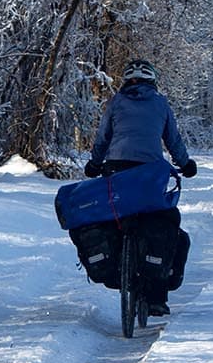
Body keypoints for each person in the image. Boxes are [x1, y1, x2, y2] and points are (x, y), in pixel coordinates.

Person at [83, 59, 197, 315]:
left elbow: (103, 137)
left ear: (126, 82)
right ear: (152, 81)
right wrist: (186, 164)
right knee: (159, 221)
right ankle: (156, 296)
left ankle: (117, 265)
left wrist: (94, 164)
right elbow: (173, 139)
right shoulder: (160, 103)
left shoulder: (115, 102)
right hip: (149, 173)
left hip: (116, 170)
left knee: (114, 217)